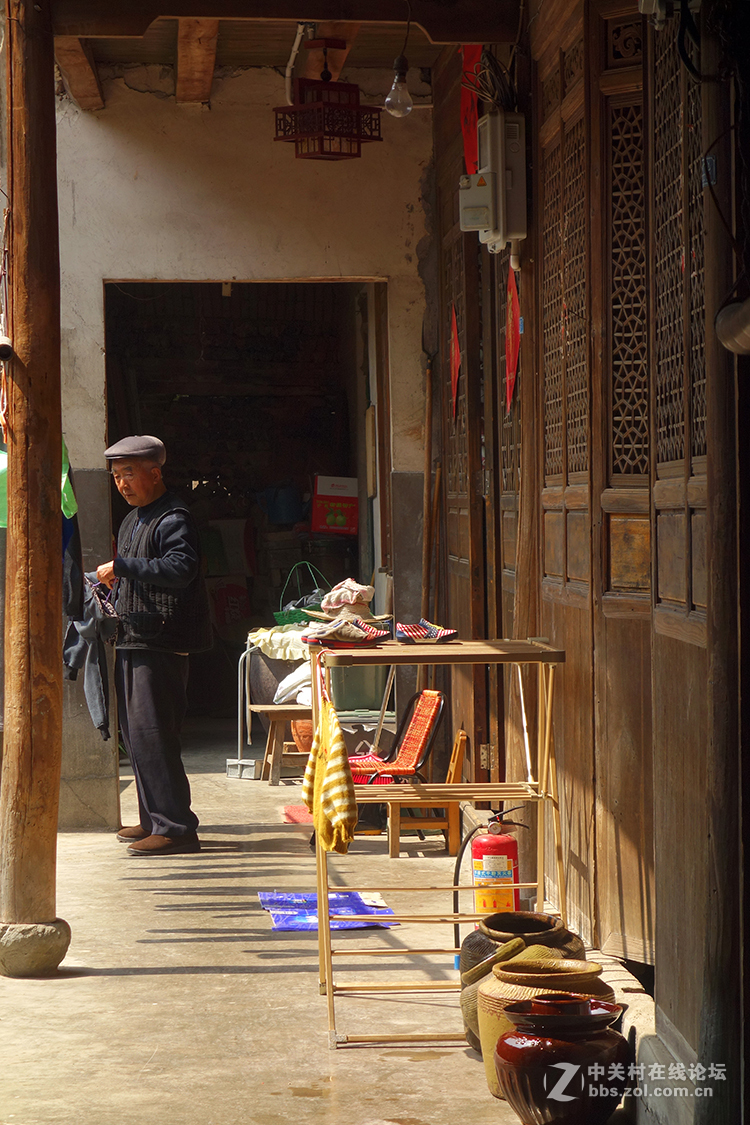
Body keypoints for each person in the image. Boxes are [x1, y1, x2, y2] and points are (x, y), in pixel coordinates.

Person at [96, 435, 212, 856]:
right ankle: (152, 818)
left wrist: (124, 565)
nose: (122, 484)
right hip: (133, 636)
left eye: (129, 474)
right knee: (136, 734)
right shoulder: (133, 519)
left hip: (162, 639)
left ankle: (177, 828)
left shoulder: (174, 516)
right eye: (116, 476)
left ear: (155, 472)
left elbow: (181, 567)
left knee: (154, 732)